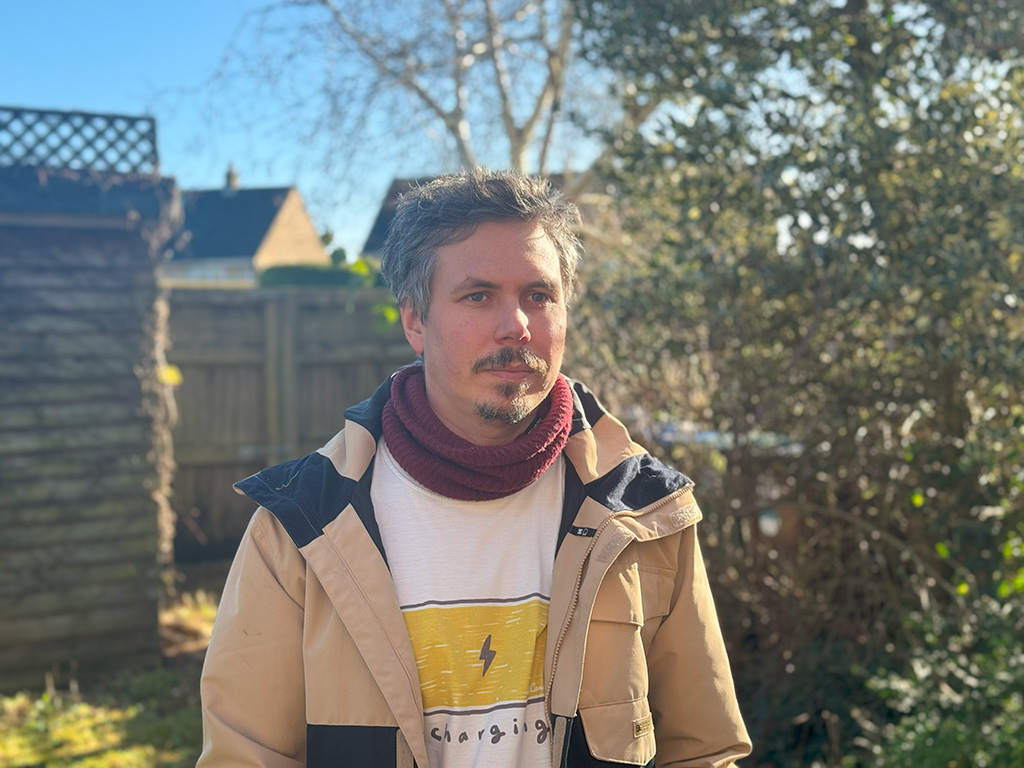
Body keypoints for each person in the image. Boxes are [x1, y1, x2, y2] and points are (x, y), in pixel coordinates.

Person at [197, 169, 751, 768]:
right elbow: (244, 758)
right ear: (415, 320)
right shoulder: (303, 525)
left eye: (538, 296)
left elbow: (703, 750)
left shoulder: (645, 513)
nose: (517, 326)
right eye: (479, 295)